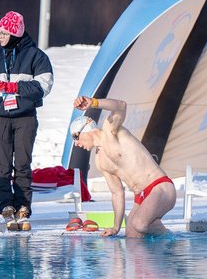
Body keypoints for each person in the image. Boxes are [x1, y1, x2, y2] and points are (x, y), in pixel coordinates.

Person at [0, 11, 53, 231]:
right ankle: (4, 204)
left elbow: (44, 86)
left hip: (25, 117)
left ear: (14, 33)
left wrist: (15, 88)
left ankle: (23, 205)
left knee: (23, 163)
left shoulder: (36, 56)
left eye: (3, 32)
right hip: (0, 117)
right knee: (3, 164)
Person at [71, 96, 177, 237]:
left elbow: (121, 106)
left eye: (76, 137)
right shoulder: (100, 161)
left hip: (160, 187)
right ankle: (160, 253)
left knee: (139, 224)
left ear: (86, 129)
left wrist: (94, 103)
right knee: (132, 237)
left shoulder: (110, 130)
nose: (76, 144)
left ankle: (174, 242)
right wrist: (115, 228)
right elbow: (117, 193)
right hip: (140, 196)